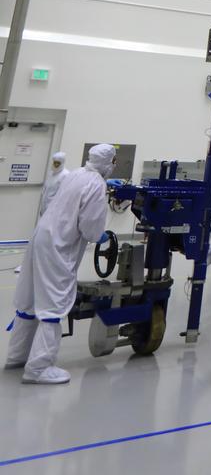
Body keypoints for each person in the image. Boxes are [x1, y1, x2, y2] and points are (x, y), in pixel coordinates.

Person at [5, 143, 116, 385]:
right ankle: (39, 368)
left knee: (30, 301)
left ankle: (16, 357)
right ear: (108, 163)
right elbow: (90, 228)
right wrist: (101, 235)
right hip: (59, 246)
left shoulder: (75, 173)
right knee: (53, 305)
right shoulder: (96, 184)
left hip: (41, 236)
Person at [39, 151, 69, 216]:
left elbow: (63, 196)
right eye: (54, 163)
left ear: (62, 163)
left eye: (58, 163)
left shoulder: (65, 175)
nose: (56, 165)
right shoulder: (51, 173)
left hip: (55, 211)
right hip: (45, 208)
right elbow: (45, 190)